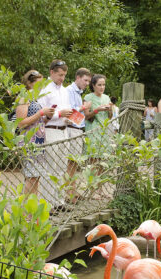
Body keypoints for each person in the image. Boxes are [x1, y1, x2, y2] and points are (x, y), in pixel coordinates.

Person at [37, 59, 73, 210]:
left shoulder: (65, 90)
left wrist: (70, 117)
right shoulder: (44, 89)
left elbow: (68, 109)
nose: (62, 78)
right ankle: (47, 203)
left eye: (64, 75)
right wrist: (59, 113)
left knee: (61, 167)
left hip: (64, 130)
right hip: (51, 129)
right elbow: (41, 112)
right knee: (50, 168)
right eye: (59, 75)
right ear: (51, 72)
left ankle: (59, 201)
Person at [16, 70, 53, 196]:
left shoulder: (35, 99)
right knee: (31, 177)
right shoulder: (23, 98)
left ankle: (32, 211)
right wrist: (41, 113)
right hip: (29, 142)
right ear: (29, 83)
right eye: (38, 84)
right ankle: (22, 209)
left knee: (36, 177)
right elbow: (21, 123)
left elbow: (38, 122)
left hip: (39, 142)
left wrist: (47, 117)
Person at [66, 67, 91, 203]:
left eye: (88, 81)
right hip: (71, 129)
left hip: (78, 129)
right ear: (78, 78)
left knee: (75, 164)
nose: (87, 83)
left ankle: (73, 191)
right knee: (71, 163)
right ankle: (70, 194)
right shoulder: (69, 91)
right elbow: (69, 113)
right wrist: (84, 107)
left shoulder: (79, 93)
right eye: (85, 80)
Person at [83, 74, 113, 161]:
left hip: (104, 131)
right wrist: (97, 110)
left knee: (103, 160)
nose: (102, 87)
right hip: (93, 131)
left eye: (103, 85)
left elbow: (109, 117)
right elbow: (86, 116)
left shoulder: (107, 98)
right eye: (99, 85)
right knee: (93, 160)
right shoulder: (88, 97)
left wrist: (110, 109)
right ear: (93, 85)